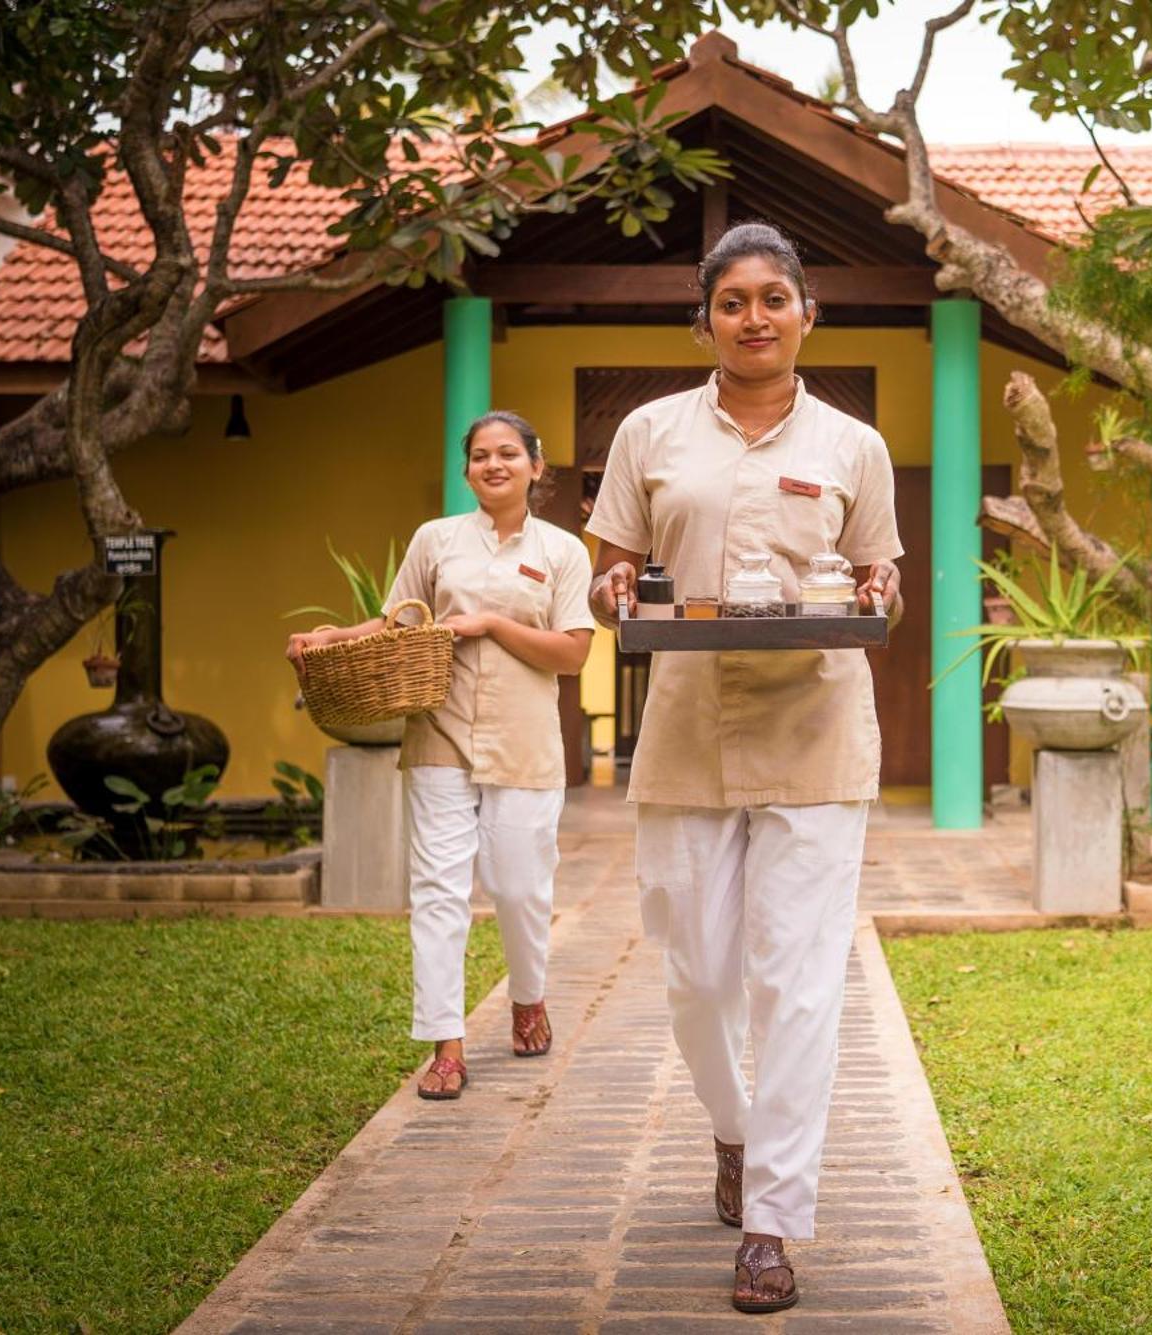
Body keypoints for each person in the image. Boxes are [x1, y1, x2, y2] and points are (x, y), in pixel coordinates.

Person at [584, 220, 903, 1314]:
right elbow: (612, 570)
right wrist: (614, 595)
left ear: (808, 312)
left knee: (798, 981)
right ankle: (731, 1129)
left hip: (816, 729)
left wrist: (873, 599)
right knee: (698, 973)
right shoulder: (648, 431)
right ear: (704, 320)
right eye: (733, 302)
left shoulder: (851, 445)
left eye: (775, 298)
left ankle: (771, 1219)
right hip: (682, 727)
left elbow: (880, 581)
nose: (755, 317)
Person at [287, 410, 595, 1100]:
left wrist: (491, 623)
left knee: (520, 887)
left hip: (524, 743)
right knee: (437, 891)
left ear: (536, 467)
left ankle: (528, 997)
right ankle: (446, 1045)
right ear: (466, 470)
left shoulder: (562, 551)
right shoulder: (437, 540)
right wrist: (333, 636)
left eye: (508, 453)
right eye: (480, 455)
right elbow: (396, 618)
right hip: (439, 735)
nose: (494, 464)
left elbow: (574, 651)